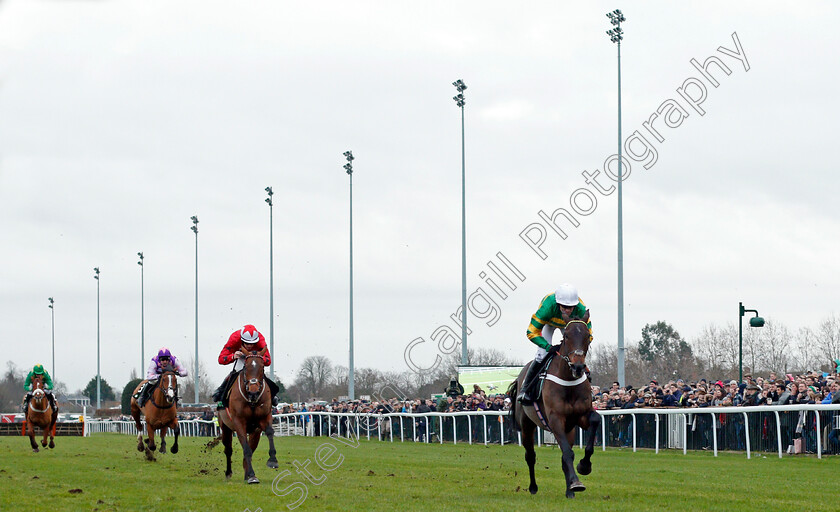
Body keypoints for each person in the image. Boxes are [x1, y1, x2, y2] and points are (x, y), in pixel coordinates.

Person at [517, 283, 592, 404]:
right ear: (558, 304)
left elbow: (588, 335)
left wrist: (579, 348)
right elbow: (531, 332)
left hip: (569, 325)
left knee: (577, 354)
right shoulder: (547, 308)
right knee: (541, 354)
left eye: (571, 307)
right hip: (548, 323)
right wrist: (547, 346)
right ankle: (525, 389)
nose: (567, 310)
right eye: (564, 307)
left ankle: (586, 386)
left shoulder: (581, 309)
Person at [211, 324, 280, 408]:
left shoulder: (261, 340)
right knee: (235, 373)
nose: (249, 346)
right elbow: (221, 359)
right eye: (247, 343)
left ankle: (272, 395)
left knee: (259, 373)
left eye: (252, 343)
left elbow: (268, 361)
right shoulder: (234, 338)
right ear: (241, 340)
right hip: (241, 357)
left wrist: (258, 358)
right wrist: (232, 356)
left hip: (255, 359)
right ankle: (221, 393)